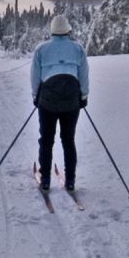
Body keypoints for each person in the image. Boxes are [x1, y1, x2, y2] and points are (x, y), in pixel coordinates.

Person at [30, 14, 89, 191]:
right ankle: (70, 180)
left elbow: (35, 76)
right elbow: (83, 75)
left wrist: (35, 95)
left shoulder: (41, 50)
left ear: (52, 31)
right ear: (67, 31)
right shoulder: (78, 49)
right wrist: (83, 96)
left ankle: (46, 178)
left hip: (47, 101)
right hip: (71, 101)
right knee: (68, 139)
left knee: (46, 140)